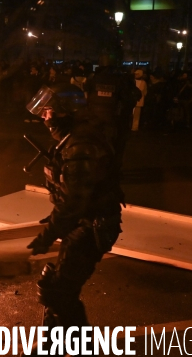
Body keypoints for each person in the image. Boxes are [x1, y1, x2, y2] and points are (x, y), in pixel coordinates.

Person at [23, 83, 124, 356]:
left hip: (93, 227)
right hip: (80, 224)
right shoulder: (72, 138)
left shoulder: (82, 145)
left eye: (48, 111)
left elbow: (75, 202)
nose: (44, 117)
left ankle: (83, 347)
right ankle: (54, 343)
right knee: (55, 285)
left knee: (59, 291)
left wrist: (48, 235)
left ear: (64, 113)